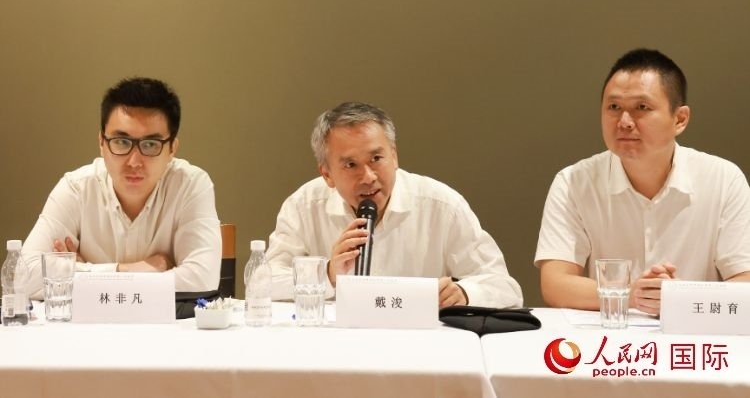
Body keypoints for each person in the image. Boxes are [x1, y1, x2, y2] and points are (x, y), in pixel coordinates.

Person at [535, 48, 750, 315]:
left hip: (693, 336)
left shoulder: (724, 180)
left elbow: (746, 281)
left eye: (642, 108)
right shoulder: (573, 182)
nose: (624, 122)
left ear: (680, 119)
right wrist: (632, 293)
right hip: (609, 336)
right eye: (614, 107)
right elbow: (556, 284)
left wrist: (680, 296)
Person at [266, 101, 523, 309]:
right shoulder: (303, 206)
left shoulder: (442, 206)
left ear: (395, 156)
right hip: (336, 345)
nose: (368, 177)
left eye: (376, 158)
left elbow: (505, 287)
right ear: (327, 175)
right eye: (351, 165)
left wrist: (464, 293)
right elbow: (263, 282)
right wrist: (327, 274)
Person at [22, 77, 221, 300]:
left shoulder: (190, 185)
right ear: (101, 142)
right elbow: (23, 277)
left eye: (151, 145)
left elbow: (202, 280)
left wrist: (82, 273)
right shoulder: (77, 188)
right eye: (121, 142)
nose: (134, 162)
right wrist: (132, 270)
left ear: (172, 148)